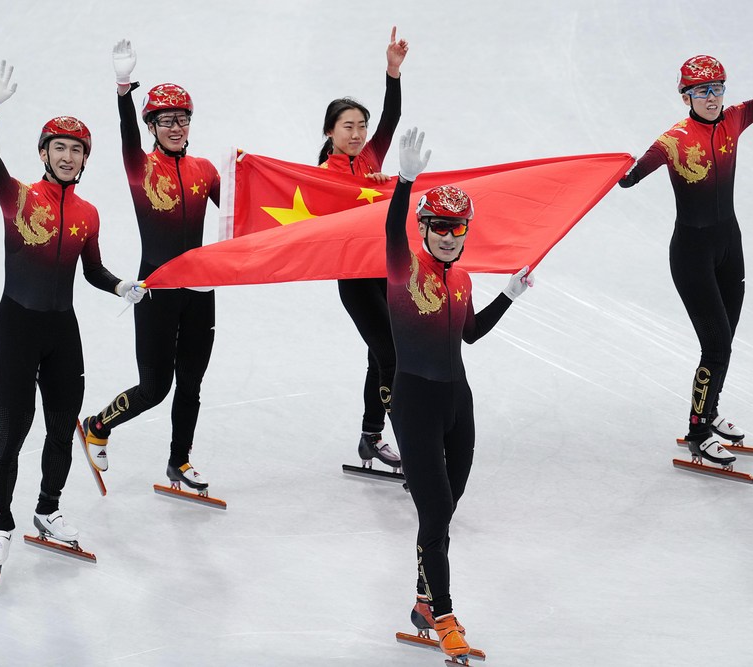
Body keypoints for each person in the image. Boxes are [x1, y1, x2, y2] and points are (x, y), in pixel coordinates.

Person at [618, 6, 753, 467]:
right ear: (686, 96)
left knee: (725, 340)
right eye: (702, 91)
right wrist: (610, 170)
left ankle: (711, 411)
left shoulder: (736, 119)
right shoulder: (673, 141)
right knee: (716, 344)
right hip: (692, 255)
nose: (712, 97)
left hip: (730, 247)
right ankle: (698, 429)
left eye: (717, 89)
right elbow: (628, 178)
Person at [0, 61, 145, 567]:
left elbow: (91, 270)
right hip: (17, 325)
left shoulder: (88, 213)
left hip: (61, 330)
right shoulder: (19, 196)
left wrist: (121, 284)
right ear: (44, 153)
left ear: (84, 159)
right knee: (14, 427)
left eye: (77, 150)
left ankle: (47, 510)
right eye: (60, 148)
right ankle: (0, 520)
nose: (69, 156)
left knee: (59, 425)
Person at [389, 128, 534, 658]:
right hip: (414, 402)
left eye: (458, 229)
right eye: (441, 228)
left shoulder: (464, 279)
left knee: (446, 508)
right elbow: (389, 230)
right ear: (424, 228)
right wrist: (405, 181)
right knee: (434, 511)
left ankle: (424, 602)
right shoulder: (403, 267)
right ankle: (445, 615)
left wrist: (508, 297)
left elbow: (469, 334)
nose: (450, 237)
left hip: (457, 402)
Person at [81, 40, 220, 492]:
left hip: (199, 291)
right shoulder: (141, 166)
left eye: (182, 119)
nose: (176, 127)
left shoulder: (205, 170)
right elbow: (125, 135)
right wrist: (124, 90)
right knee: (156, 386)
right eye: (166, 120)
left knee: (192, 383)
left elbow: (245, 209)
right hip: (156, 289)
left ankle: (179, 461)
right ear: (152, 126)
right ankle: (97, 425)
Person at [319, 27, 408, 472]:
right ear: (330, 132)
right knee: (392, 353)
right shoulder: (323, 173)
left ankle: (370, 439)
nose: (357, 134)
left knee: (380, 354)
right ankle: (411, 441)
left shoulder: (372, 157)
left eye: (360, 127)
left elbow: (391, 120)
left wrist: (392, 72)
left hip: (385, 272)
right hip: (355, 278)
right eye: (347, 127)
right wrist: (362, 192)